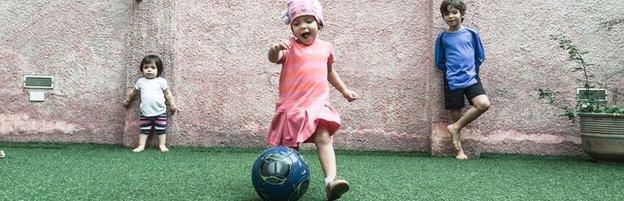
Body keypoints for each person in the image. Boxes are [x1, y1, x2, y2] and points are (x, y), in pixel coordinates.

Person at [267, 0, 359, 199]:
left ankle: (331, 181)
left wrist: (344, 90)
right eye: (297, 23)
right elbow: (274, 58)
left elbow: (330, 72)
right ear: (291, 27)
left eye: (309, 20)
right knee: (288, 149)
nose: (303, 26)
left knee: (324, 138)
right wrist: (274, 49)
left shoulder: (326, 47)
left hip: (318, 104)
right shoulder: (289, 46)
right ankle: (282, 183)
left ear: (319, 24)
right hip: (292, 107)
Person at [434, 0, 490, 160]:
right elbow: (439, 61)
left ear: (462, 14)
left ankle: (455, 127)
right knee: (456, 113)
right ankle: (459, 151)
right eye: (446, 13)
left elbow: (480, 56)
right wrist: (452, 72)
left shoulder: (472, 34)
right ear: (443, 17)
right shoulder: (442, 37)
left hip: (472, 79)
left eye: (454, 12)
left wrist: (470, 71)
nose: (451, 16)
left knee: (483, 104)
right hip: (452, 81)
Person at [123, 54, 178, 153]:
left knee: (161, 130)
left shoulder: (161, 81)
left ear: (158, 70)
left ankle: (162, 145)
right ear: (142, 69)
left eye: (153, 67)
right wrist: (127, 100)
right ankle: (141, 145)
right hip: (145, 112)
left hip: (160, 112)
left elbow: (168, 94)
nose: (149, 70)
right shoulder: (141, 82)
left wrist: (172, 104)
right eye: (146, 67)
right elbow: (133, 92)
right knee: (144, 130)